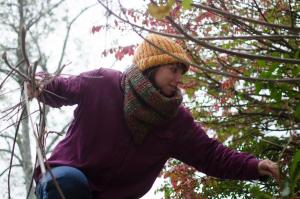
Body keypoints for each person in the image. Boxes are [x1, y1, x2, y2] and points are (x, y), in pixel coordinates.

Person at [31, 34, 279, 199]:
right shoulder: (103, 83)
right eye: (173, 69)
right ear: (151, 66)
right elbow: (62, 87)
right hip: (66, 180)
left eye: (181, 72)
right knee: (69, 183)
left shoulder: (175, 121)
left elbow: (211, 155)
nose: (178, 79)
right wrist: (38, 83)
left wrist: (254, 165)